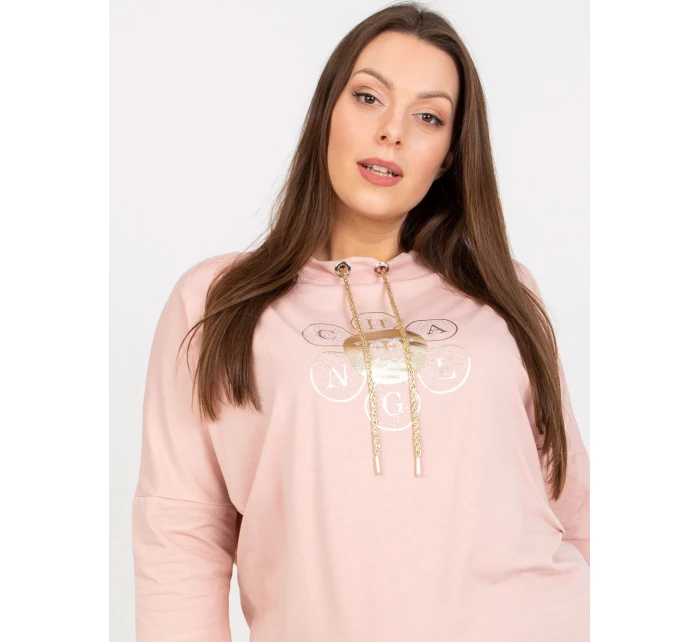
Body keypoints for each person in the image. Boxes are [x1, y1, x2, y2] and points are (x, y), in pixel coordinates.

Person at [131, 2, 590, 641]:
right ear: (327, 111)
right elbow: (181, 532)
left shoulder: (504, 293)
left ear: (449, 155)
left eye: (428, 116)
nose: (392, 132)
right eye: (369, 98)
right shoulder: (218, 302)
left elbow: (572, 503)